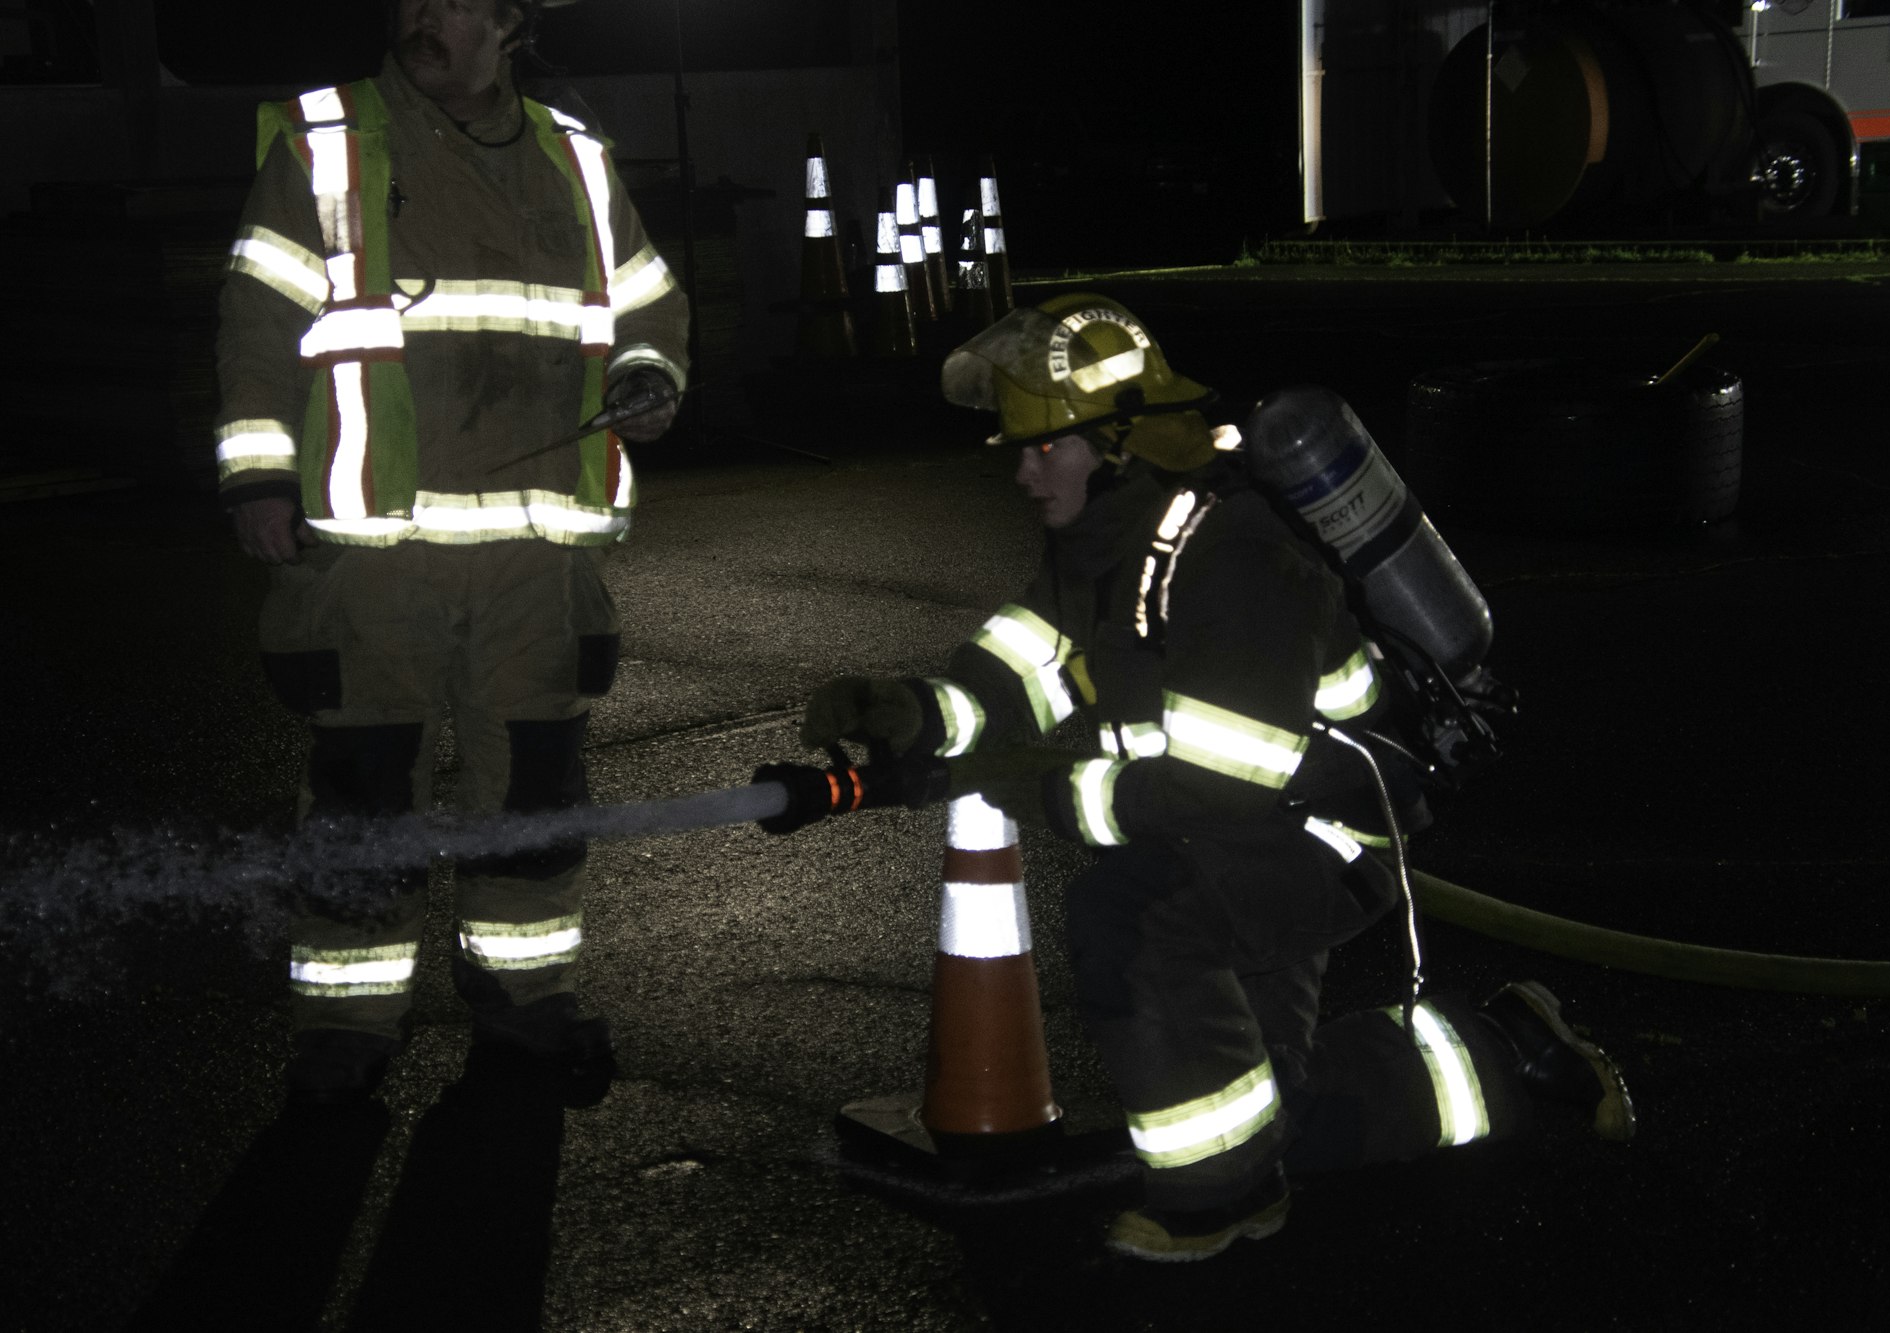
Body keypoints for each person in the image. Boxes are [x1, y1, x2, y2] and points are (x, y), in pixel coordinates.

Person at [801, 293, 1634, 1262]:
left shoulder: (1236, 558)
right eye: (1018, 449)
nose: (1023, 471)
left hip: (1319, 834)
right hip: (1251, 829)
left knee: (1129, 911)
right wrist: (907, 709)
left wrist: (1027, 785)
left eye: (1045, 447)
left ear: (1117, 442)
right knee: (1257, 1106)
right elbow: (1012, 672)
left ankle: (1219, 1197)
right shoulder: (1098, 548)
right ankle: (1511, 1050)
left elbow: (1215, 784)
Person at [215, 0, 689, 1107]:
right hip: (375, 550)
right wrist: (259, 475)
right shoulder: (326, 141)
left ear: (512, 22)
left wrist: (649, 372)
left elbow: (649, 298)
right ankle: (343, 1035)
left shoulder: (575, 156)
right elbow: (255, 320)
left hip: (536, 552)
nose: (423, 16)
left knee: (530, 794)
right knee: (363, 798)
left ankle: (524, 1006)